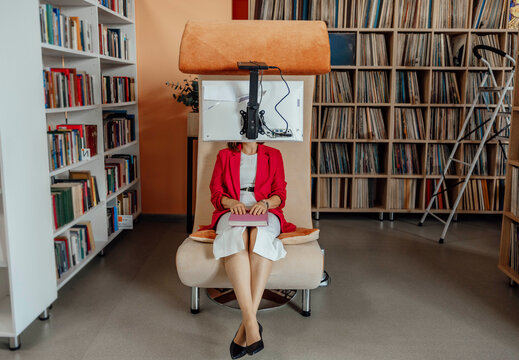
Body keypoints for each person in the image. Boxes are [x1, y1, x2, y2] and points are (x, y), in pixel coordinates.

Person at [202, 141, 295, 358]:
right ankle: (252, 325)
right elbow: (216, 192)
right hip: (232, 211)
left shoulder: (273, 154)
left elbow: (280, 193)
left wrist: (264, 203)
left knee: (260, 236)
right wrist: (230, 202)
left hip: (265, 210)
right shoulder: (224, 155)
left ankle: (247, 326)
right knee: (236, 236)